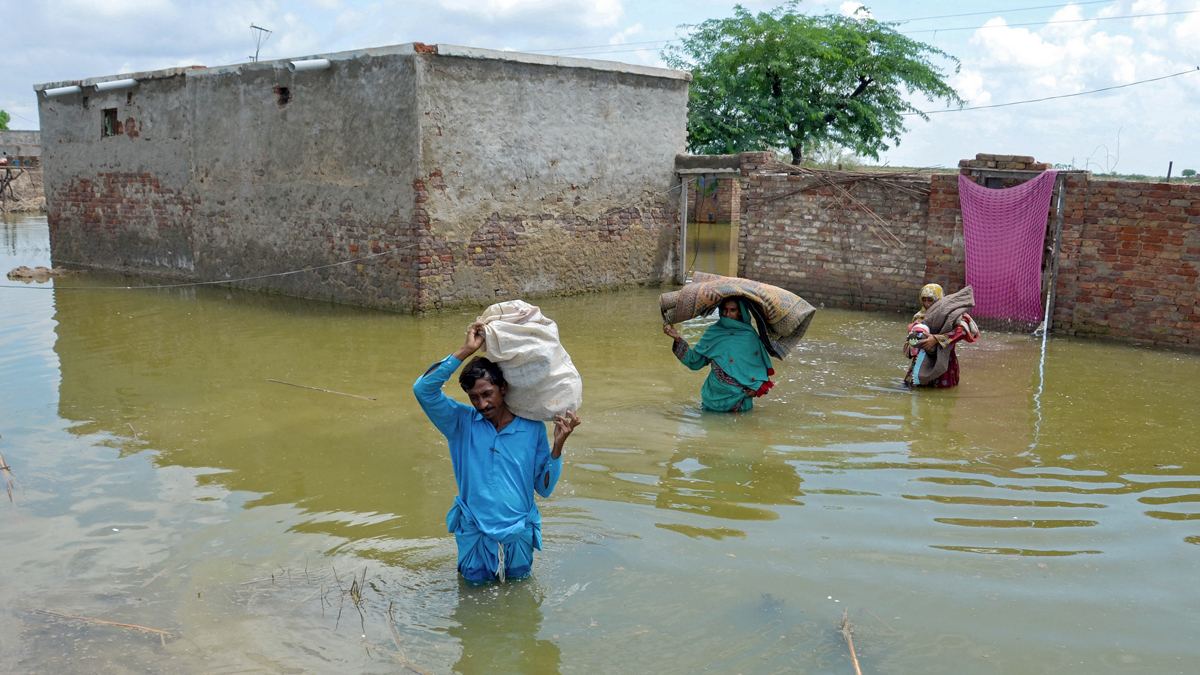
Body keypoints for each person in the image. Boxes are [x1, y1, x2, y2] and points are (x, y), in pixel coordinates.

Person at [413, 322, 581, 583]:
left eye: (488, 394)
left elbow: (544, 489)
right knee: (472, 598)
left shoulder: (531, 427)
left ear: (503, 388)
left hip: (519, 533)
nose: (482, 403)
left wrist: (557, 448)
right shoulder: (460, 423)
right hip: (474, 533)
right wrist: (467, 350)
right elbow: (423, 389)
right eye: (474, 397)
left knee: (519, 601)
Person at [663, 297, 775, 412]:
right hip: (713, 399)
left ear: (740, 312)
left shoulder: (749, 335)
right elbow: (694, 361)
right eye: (725, 309)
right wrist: (677, 340)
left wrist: (756, 389)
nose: (728, 314)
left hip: (740, 401)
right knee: (711, 428)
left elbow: (758, 366)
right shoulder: (713, 333)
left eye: (733, 310)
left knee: (742, 429)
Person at [904, 284, 979, 388]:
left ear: (939, 299)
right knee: (915, 388)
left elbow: (964, 331)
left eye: (930, 300)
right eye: (924, 300)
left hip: (944, 358)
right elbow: (911, 340)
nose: (927, 304)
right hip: (921, 359)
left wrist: (936, 339)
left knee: (941, 391)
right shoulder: (919, 317)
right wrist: (912, 344)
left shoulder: (951, 314)